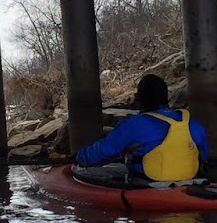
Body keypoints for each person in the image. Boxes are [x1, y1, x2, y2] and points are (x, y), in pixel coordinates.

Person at [73, 74, 208, 182]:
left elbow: (103, 151)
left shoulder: (134, 124)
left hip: (146, 183)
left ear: (141, 99)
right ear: (166, 97)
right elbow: (203, 156)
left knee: (80, 171)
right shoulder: (191, 123)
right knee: (119, 167)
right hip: (188, 181)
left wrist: (79, 157)